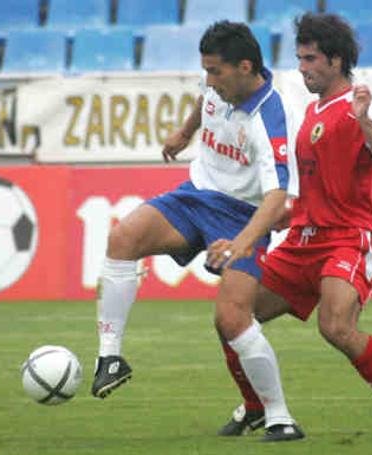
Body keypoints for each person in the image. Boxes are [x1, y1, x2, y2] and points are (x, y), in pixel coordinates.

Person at [207, 13, 372, 439]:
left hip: (348, 239)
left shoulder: (358, 107)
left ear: (336, 60)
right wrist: (245, 239)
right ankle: (256, 407)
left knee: (335, 327)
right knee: (232, 316)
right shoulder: (311, 112)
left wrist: (365, 120)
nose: (302, 67)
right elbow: (307, 196)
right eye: (299, 58)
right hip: (303, 240)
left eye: (311, 59)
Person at [91, 21, 305, 442]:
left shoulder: (271, 119)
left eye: (215, 72)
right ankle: (110, 359)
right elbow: (204, 99)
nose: (208, 81)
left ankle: (280, 417)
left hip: (243, 215)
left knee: (231, 318)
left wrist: (241, 242)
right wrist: (185, 132)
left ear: (245, 67)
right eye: (205, 71)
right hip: (196, 196)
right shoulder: (221, 85)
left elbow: (277, 197)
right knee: (123, 238)